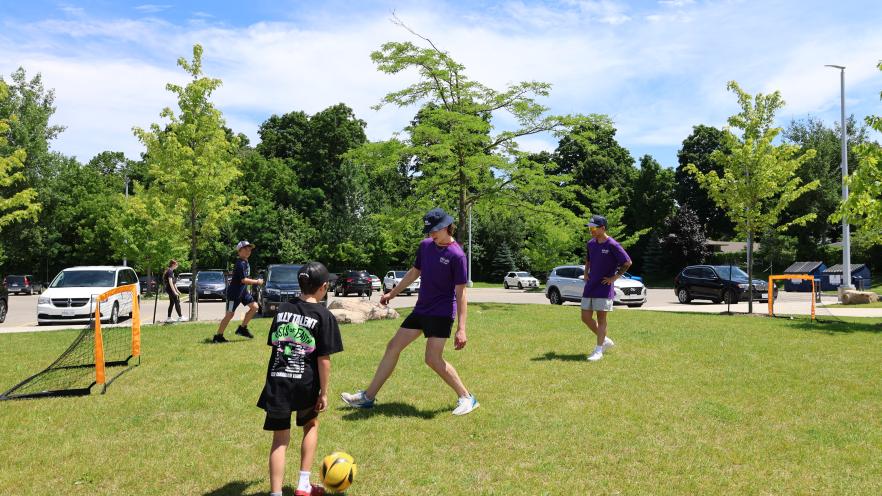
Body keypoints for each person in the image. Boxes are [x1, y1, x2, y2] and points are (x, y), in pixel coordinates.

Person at [341, 207, 479, 416]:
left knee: (432, 359)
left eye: (434, 230)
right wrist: (392, 293)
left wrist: (462, 328)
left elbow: (461, 293)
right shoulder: (425, 246)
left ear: (446, 226)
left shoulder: (457, 255)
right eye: (429, 230)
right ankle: (367, 398)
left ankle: (467, 397)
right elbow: (414, 272)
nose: (430, 234)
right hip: (421, 309)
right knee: (393, 346)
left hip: (441, 313)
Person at [257, 262, 343, 496]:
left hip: (278, 381)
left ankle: (276, 494)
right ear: (323, 287)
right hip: (304, 383)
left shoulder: (283, 309)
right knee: (311, 424)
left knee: (280, 440)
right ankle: (303, 485)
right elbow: (323, 359)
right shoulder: (324, 315)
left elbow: (275, 343)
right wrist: (324, 392)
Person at [581, 214, 631, 362]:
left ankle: (598, 351)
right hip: (590, 286)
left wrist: (614, 278)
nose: (591, 230)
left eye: (594, 228)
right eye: (590, 228)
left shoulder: (613, 245)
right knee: (585, 317)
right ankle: (605, 340)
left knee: (601, 318)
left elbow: (627, 262)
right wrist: (585, 273)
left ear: (602, 228)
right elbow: (588, 260)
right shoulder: (591, 243)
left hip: (604, 286)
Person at [212, 240, 264, 343]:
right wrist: (257, 281)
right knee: (230, 314)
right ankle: (218, 336)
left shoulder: (245, 262)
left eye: (249, 249)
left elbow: (244, 280)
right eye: (245, 249)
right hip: (234, 294)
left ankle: (242, 328)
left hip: (243, 292)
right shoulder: (240, 263)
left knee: (255, 307)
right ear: (239, 251)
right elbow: (243, 280)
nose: (248, 251)